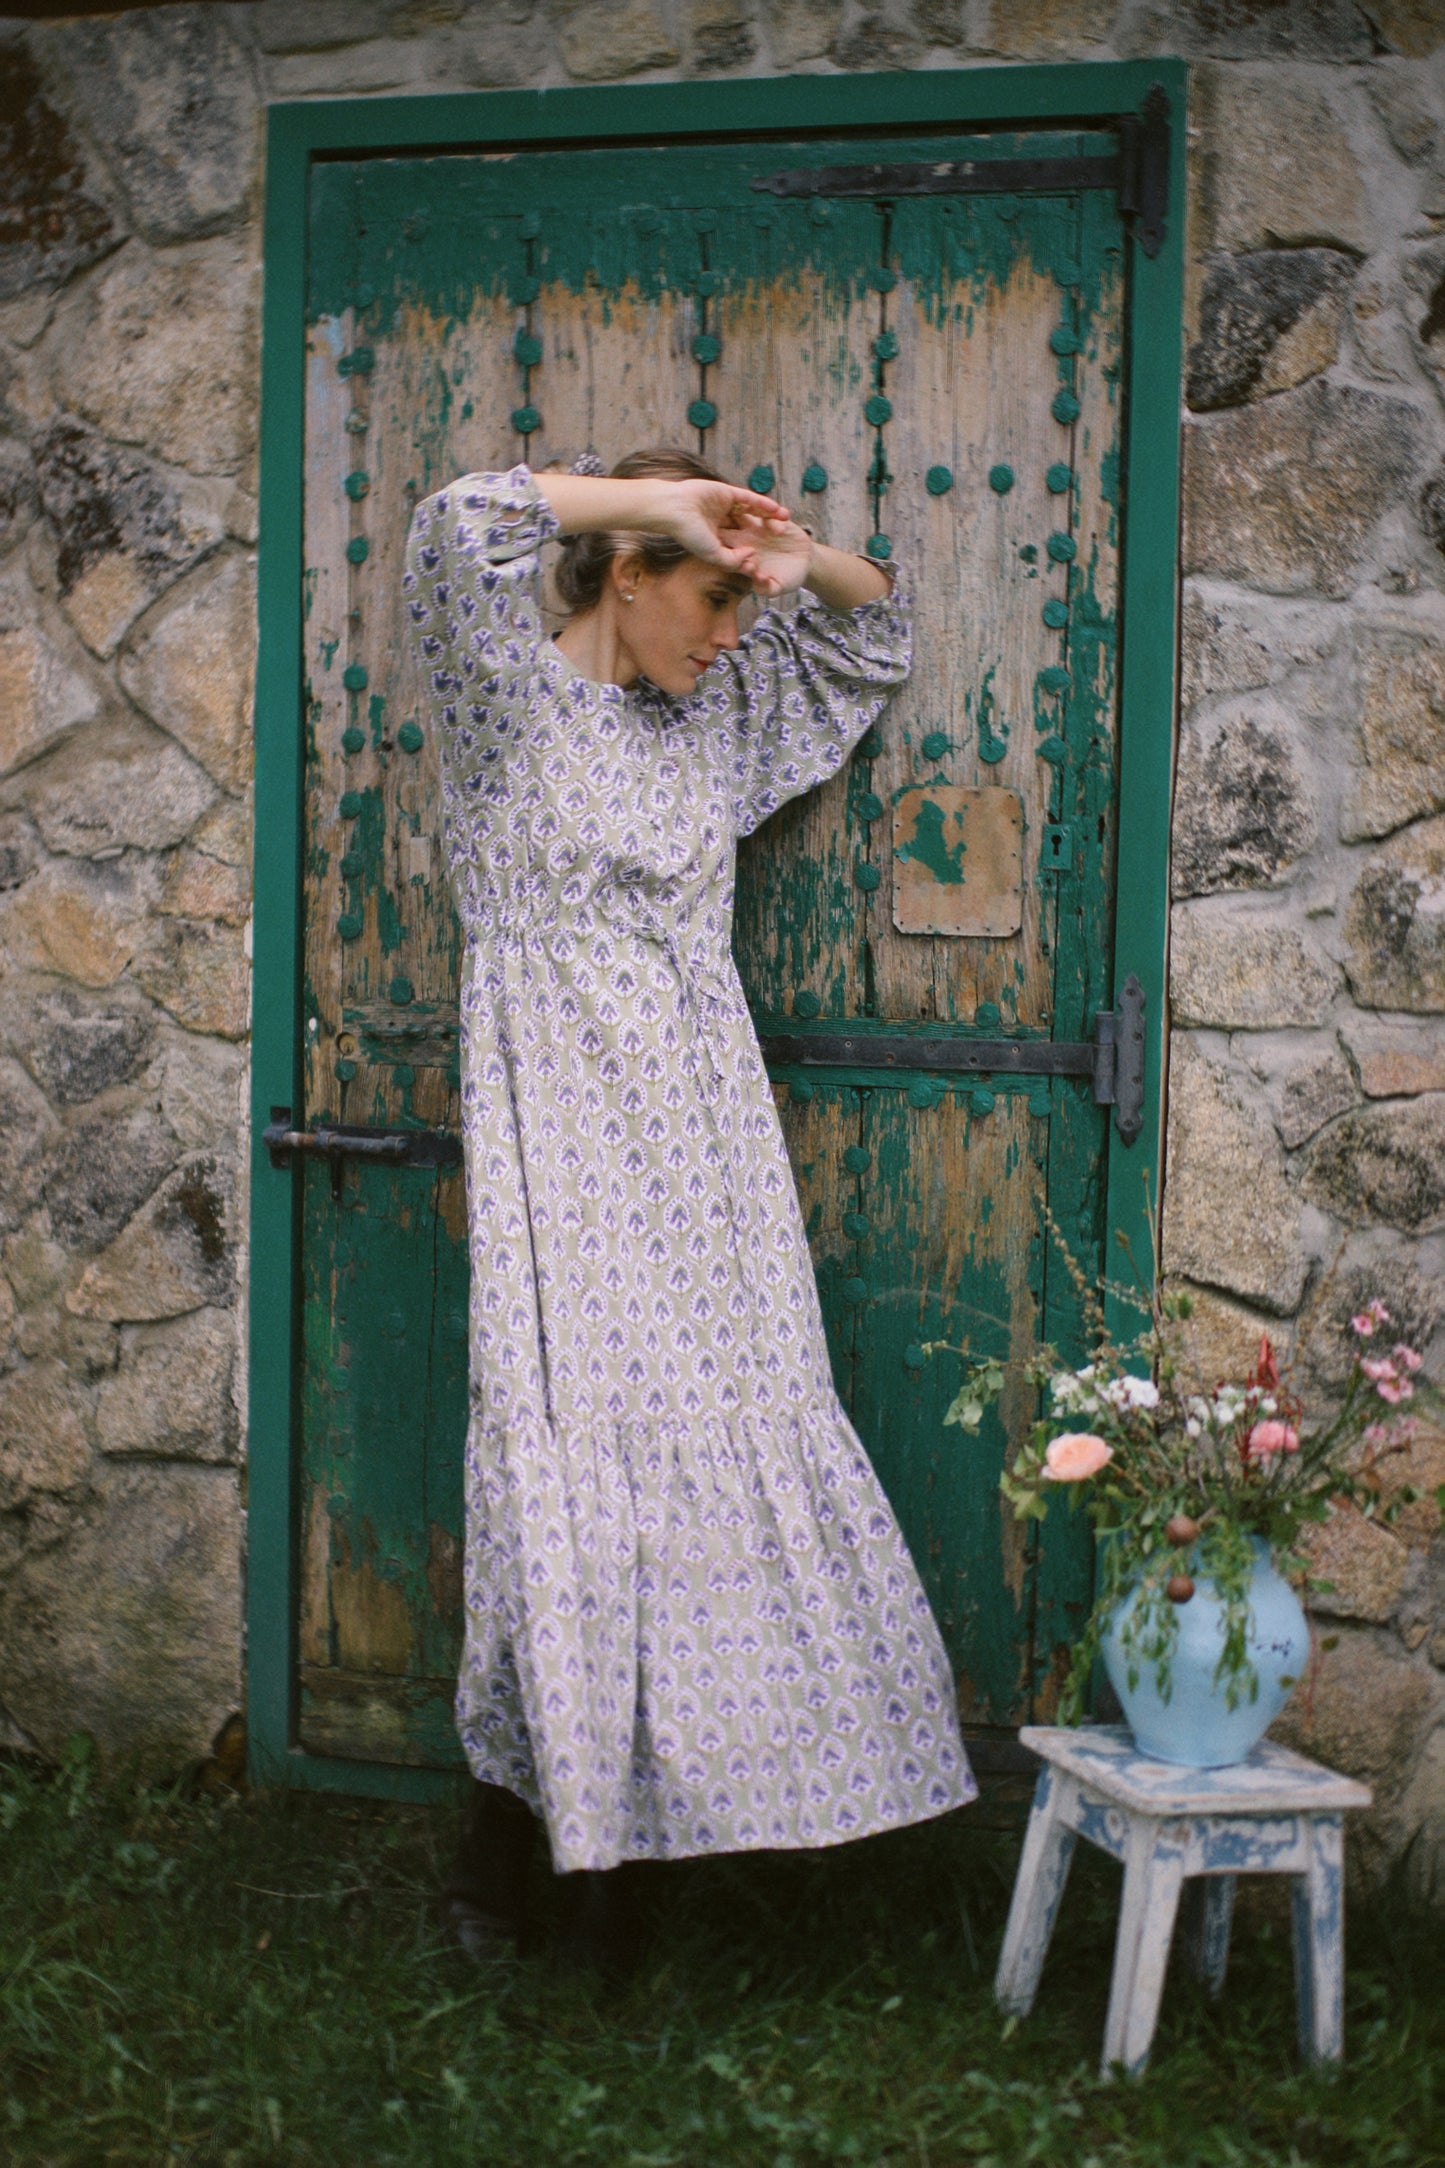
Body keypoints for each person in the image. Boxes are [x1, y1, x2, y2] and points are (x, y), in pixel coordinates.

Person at [402, 449, 975, 1967]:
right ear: (630, 570)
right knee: (563, 1481)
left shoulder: (716, 721)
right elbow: (452, 522)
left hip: (702, 1153)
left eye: (739, 604)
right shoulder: (504, 698)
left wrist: (790, 557)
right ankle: (516, 1856)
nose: (730, 630)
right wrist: (647, 503)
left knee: (709, 1466)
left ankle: (645, 1863)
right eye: (706, 595)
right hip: (561, 1151)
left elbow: (872, 634)